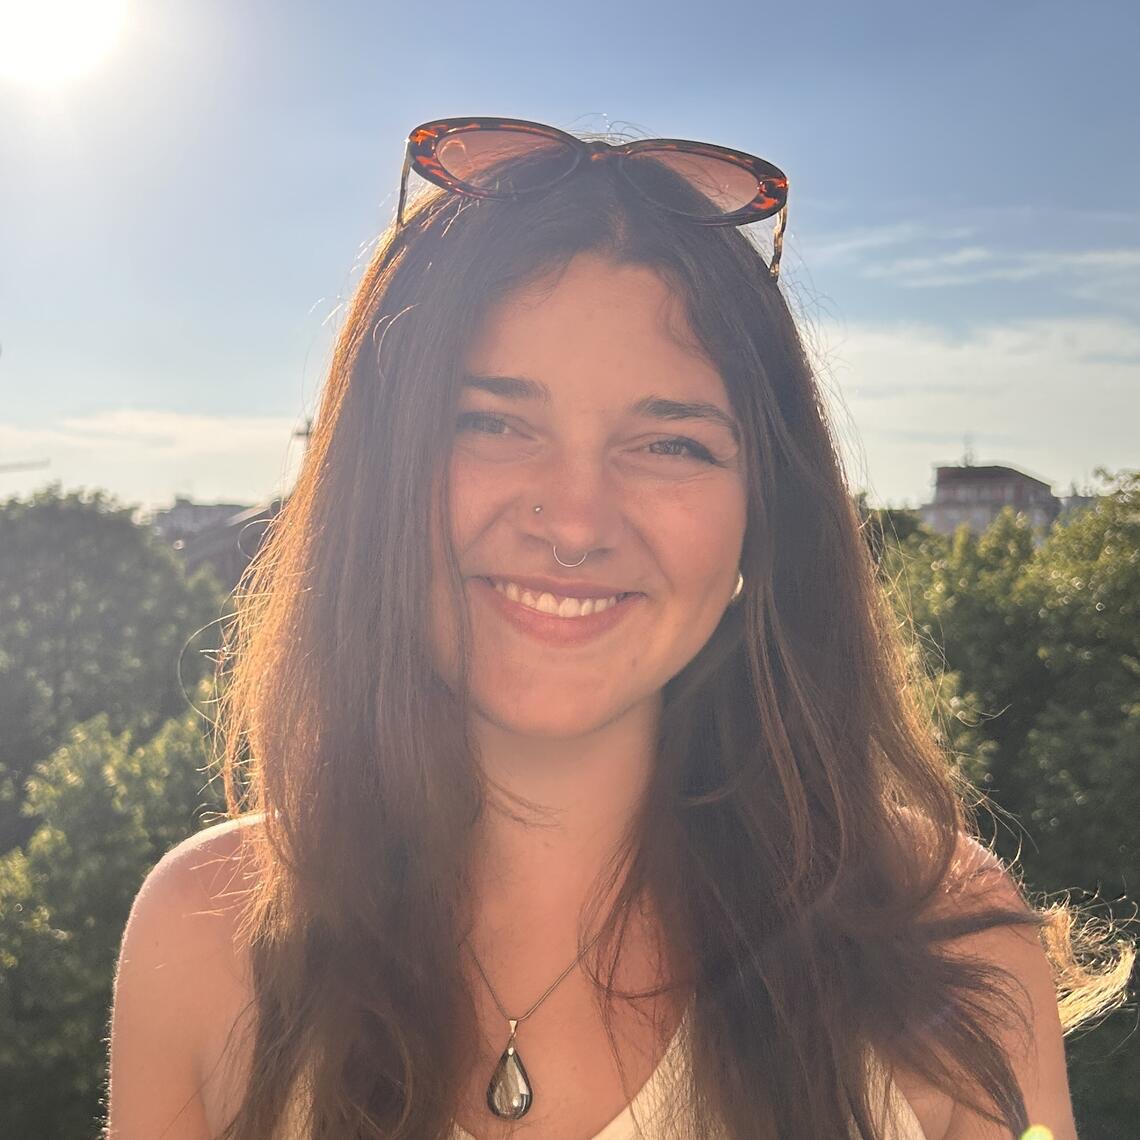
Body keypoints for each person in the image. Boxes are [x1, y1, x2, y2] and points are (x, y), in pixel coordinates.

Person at [105, 117, 1131, 1140]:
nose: (577, 521)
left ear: (764, 513)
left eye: (669, 443)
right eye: (493, 423)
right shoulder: (204, 937)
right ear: (376, 477)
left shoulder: (943, 945)